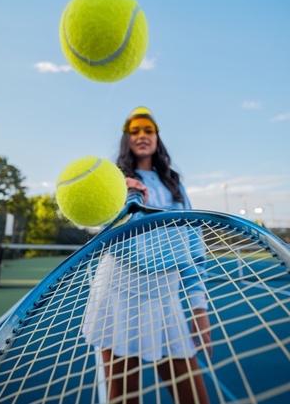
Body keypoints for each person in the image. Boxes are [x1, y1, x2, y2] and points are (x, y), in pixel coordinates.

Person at [83, 107, 211, 404]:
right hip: (119, 289)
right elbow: (100, 228)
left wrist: (198, 307)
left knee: (194, 396)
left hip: (164, 292)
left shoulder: (174, 184)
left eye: (148, 130)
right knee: (124, 397)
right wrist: (117, 195)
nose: (142, 136)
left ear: (157, 138)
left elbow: (192, 245)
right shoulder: (112, 180)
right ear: (127, 139)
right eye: (135, 131)